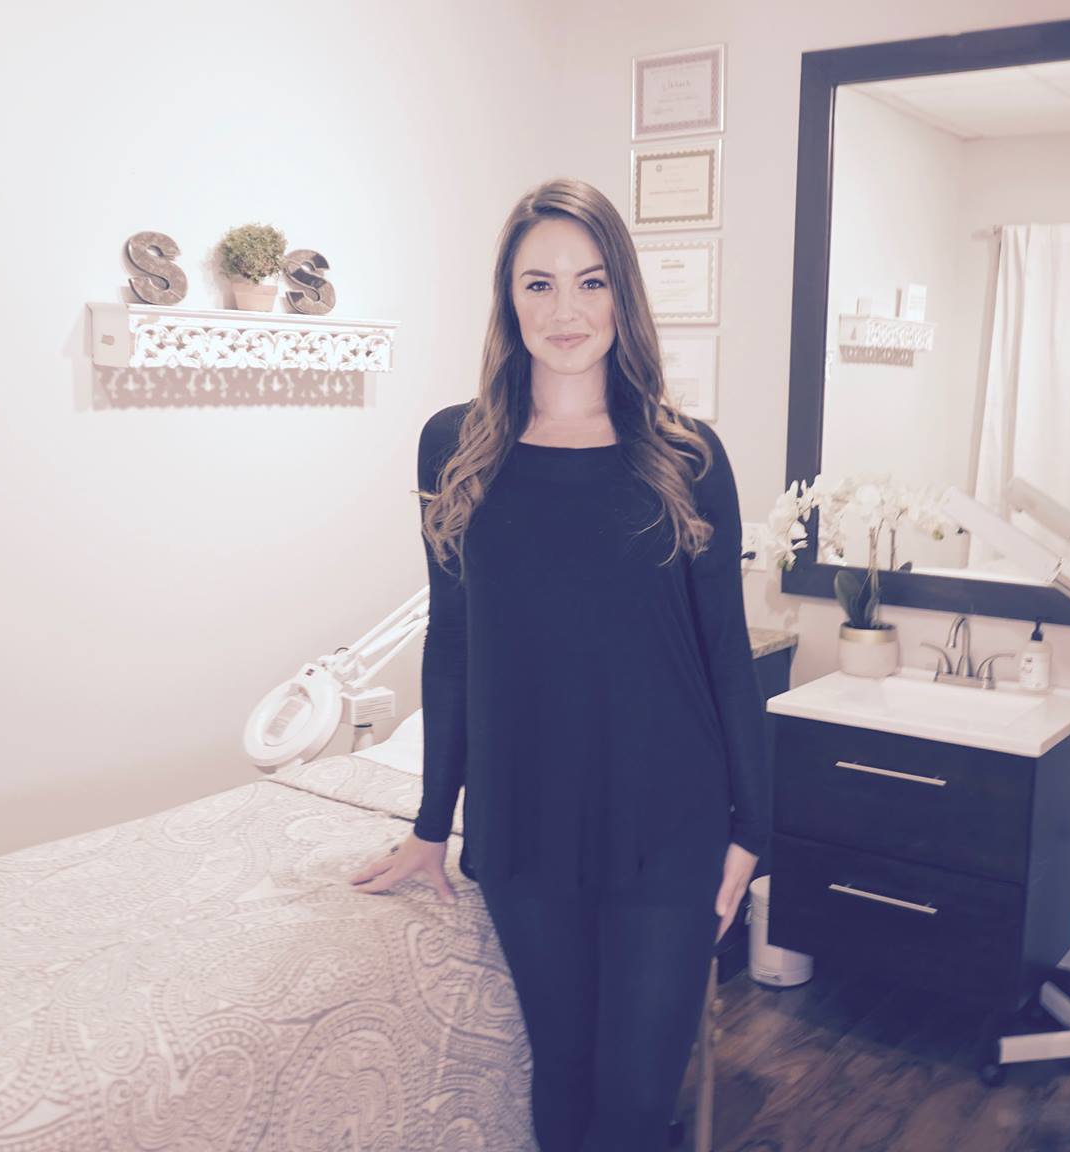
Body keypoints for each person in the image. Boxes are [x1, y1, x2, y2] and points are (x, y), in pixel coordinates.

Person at [345, 177, 769, 1152]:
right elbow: (452, 640)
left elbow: (725, 653)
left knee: (633, 1105)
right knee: (563, 1076)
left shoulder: (687, 456)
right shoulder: (454, 445)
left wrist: (753, 831)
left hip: (666, 818)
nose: (565, 311)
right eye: (538, 284)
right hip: (524, 817)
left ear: (622, 294)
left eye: (590, 281)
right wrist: (430, 825)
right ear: (509, 299)